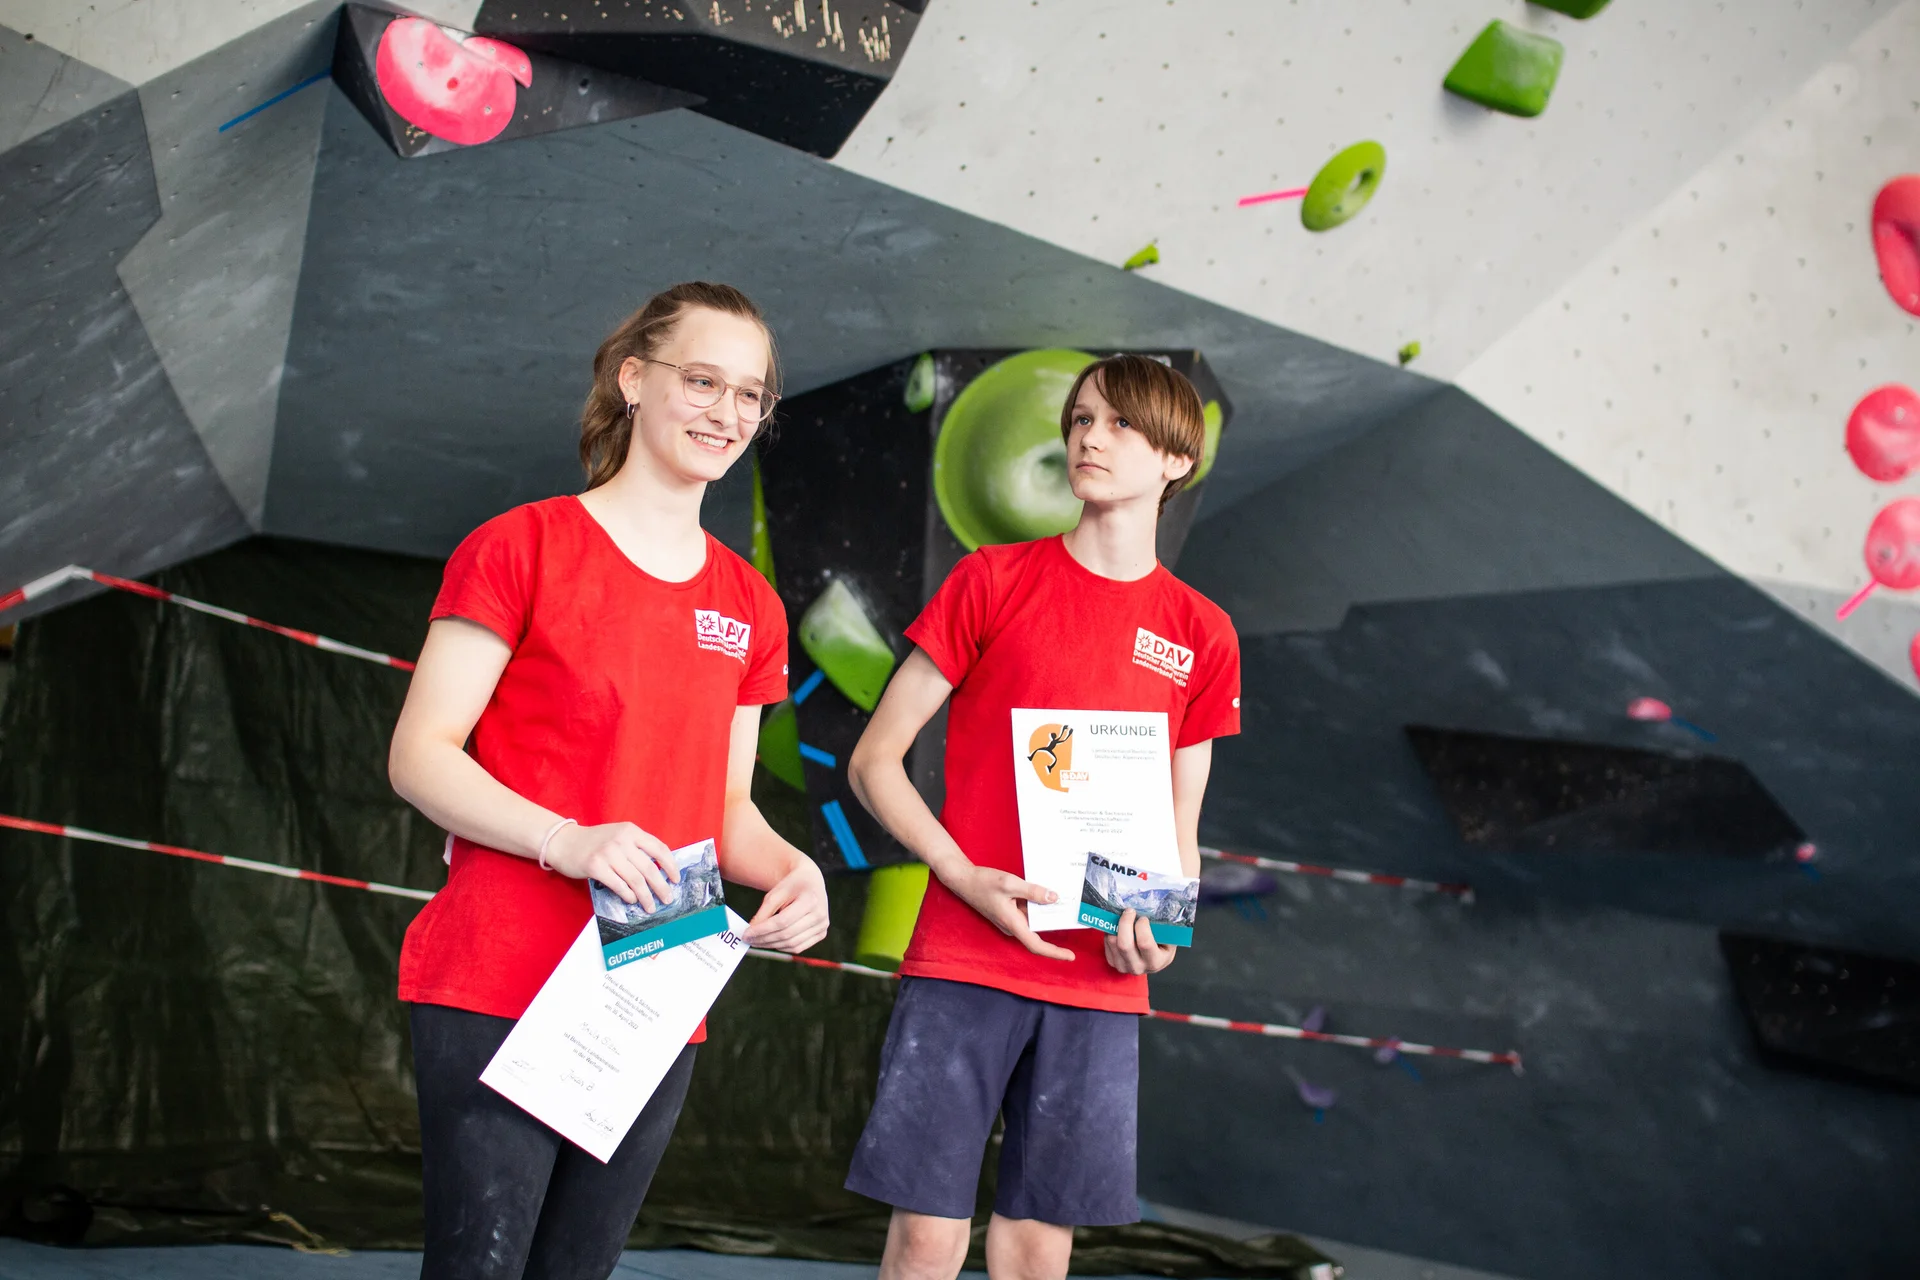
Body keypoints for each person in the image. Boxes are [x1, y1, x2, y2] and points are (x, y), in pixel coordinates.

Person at [387, 282, 829, 1280]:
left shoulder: (749, 605)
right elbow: (421, 753)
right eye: (701, 379)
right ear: (634, 379)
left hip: (651, 984)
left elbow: (724, 809)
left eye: (749, 393)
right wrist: (568, 839)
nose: (726, 411)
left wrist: (795, 868)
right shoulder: (520, 545)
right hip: (499, 971)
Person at [845, 354, 1241, 1280]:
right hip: (965, 952)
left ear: (1177, 460)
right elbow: (874, 761)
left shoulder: (1201, 632)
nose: (1090, 438)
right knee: (929, 1234)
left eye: (1121, 426)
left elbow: (1183, 817)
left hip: (1101, 974)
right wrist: (960, 875)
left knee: (1037, 1242)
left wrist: (1166, 933)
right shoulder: (992, 580)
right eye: (1081, 420)